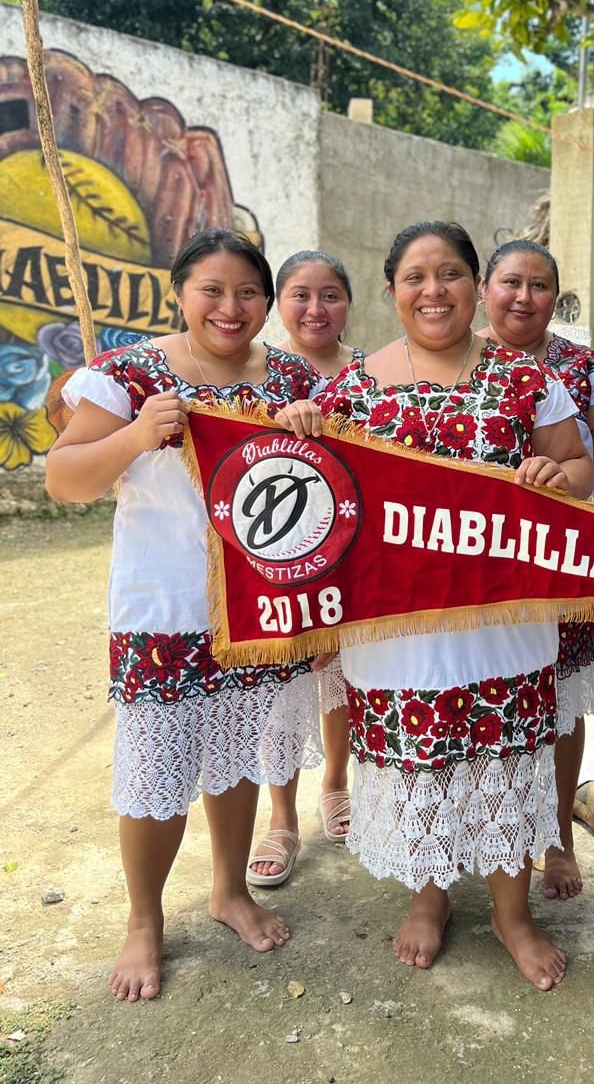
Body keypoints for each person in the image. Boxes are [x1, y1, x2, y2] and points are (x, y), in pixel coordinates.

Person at [282, 221, 593, 990]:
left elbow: (581, 464)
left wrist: (561, 476)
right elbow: (311, 494)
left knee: (506, 752)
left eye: (451, 273)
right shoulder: (350, 388)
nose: (434, 290)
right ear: (391, 291)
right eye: (415, 276)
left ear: (476, 286)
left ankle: (512, 914)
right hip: (398, 625)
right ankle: (430, 898)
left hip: (506, 616)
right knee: (418, 754)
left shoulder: (525, 378)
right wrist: (296, 429)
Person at [45, 228, 323, 1003]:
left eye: (247, 293)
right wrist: (137, 432)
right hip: (163, 609)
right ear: (180, 293)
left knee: (234, 757)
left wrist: (313, 427)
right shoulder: (127, 373)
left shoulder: (295, 374)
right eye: (212, 290)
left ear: (267, 302)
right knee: (157, 773)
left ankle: (230, 890)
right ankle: (144, 921)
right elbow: (64, 479)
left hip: (264, 603)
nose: (230, 308)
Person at [478, 239, 594, 901]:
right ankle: (478, 839)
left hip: (562, 564)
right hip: (473, 572)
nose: (523, 297)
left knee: (561, 703)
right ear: (485, 288)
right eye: (510, 282)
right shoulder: (457, 357)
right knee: (475, 704)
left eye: (539, 286)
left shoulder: (587, 370)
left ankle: (558, 839)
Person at [247, 251, 359, 886]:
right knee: (280, 693)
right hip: (277, 556)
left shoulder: (373, 375)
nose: (315, 309)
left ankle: (337, 786)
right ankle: (281, 818)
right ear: (276, 302)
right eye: (300, 295)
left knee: (339, 678)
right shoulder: (254, 373)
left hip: (349, 554)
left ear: (350, 302)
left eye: (331, 295)